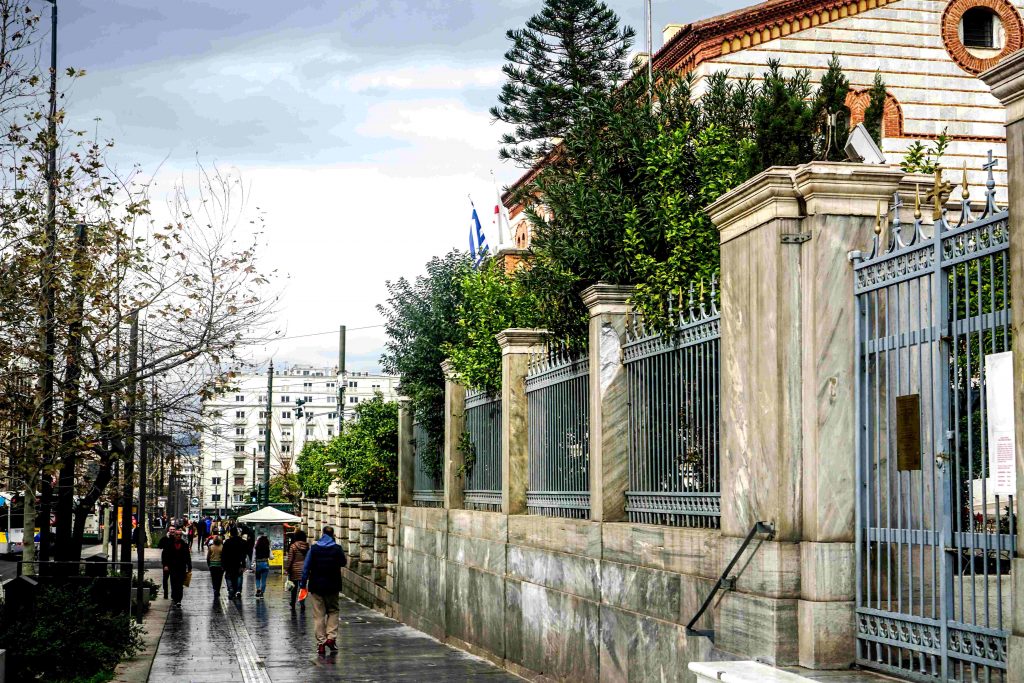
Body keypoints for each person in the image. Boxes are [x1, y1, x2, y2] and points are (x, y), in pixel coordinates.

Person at [300, 525, 347, 657]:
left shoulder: (314, 549)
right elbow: (343, 562)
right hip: (333, 585)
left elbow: (306, 568)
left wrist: (303, 585)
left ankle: (321, 644)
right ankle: (331, 638)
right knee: (333, 611)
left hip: (316, 586)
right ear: (333, 535)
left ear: (322, 534)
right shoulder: (337, 549)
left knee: (319, 615)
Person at [161, 527, 192, 607]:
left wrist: (189, 566)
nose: (178, 536)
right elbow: (165, 555)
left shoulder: (184, 544)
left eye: (179, 535)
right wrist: (165, 565)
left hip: (181, 567)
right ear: (174, 535)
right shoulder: (169, 544)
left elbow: (187, 556)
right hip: (172, 567)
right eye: (177, 535)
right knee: (174, 583)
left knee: (180, 584)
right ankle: (175, 598)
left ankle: (179, 600)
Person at [285, 529, 309, 610]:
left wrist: (287, 569)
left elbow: (290, 559)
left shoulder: (293, 546)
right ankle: (302, 603)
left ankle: (293, 603)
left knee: (293, 588)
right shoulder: (307, 546)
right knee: (302, 587)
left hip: (294, 570)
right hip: (304, 570)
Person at [221, 527, 248, 599]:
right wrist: (244, 565)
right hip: (238, 563)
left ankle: (231, 589)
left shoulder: (227, 542)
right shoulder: (242, 542)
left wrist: (223, 564)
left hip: (229, 563)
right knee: (239, 576)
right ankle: (238, 590)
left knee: (228, 577)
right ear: (237, 533)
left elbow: (223, 554)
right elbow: (244, 554)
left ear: (230, 533)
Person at [157, 526, 176, 599]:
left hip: (175, 563)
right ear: (169, 530)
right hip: (166, 563)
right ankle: (165, 594)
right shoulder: (165, 539)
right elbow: (159, 546)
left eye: (173, 529)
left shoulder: (176, 539)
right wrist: (165, 565)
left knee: (173, 580)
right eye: (171, 529)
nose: (172, 531)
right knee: (165, 579)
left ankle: (173, 595)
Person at [252, 533, 271, 598]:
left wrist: (253, 563)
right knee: (264, 580)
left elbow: (254, 556)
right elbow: (271, 557)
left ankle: (258, 589)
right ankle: (262, 593)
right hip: (265, 563)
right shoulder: (267, 547)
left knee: (257, 578)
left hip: (258, 563)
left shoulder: (256, 547)